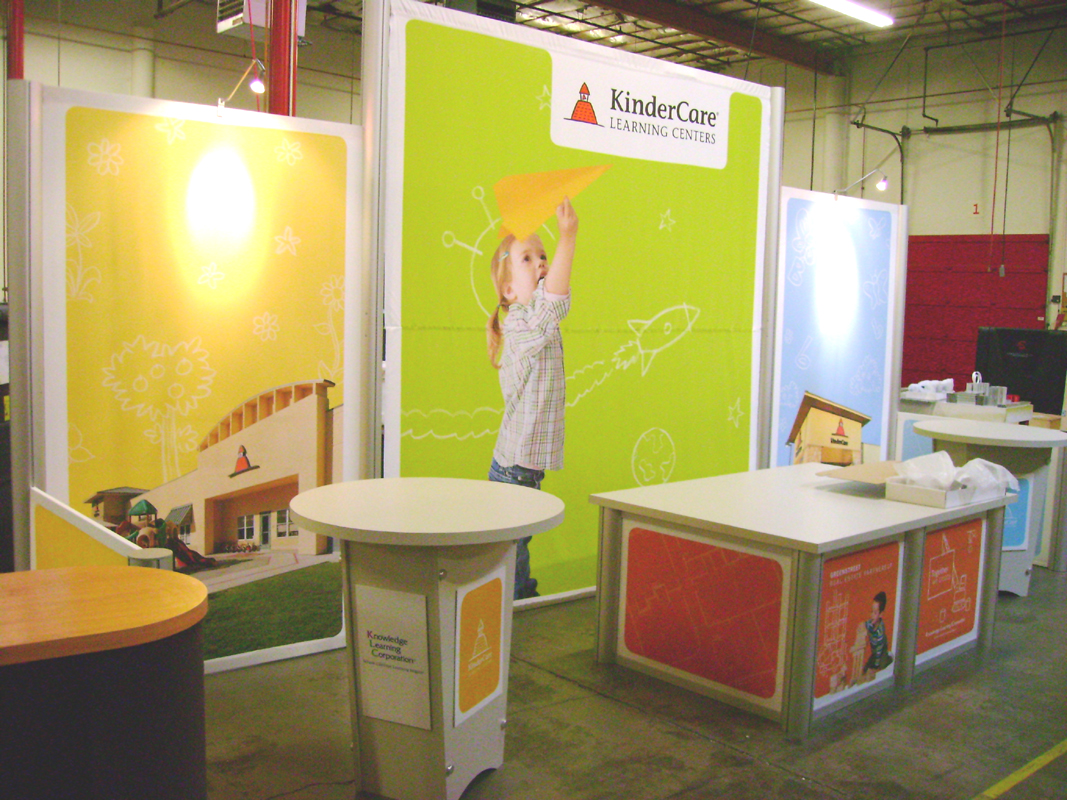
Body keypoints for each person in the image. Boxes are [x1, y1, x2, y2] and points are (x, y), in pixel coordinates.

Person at [486, 197, 578, 600]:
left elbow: (554, 303)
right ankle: (516, 599)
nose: (541, 263)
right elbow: (553, 303)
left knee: (518, 546)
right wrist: (567, 237)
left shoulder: (537, 320)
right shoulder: (520, 326)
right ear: (508, 290)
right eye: (528, 259)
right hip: (513, 470)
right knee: (513, 550)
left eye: (543, 256)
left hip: (524, 470)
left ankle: (518, 594)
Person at [863, 590, 894, 675]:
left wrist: (876, 666)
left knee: (882, 666)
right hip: (874, 651)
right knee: (866, 668)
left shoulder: (880, 632)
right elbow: (865, 625)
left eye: (875, 613)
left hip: (881, 651)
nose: (872, 615)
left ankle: (889, 659)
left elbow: (879, 651)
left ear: (881, 614)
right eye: (871, 611)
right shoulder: (870, 623)